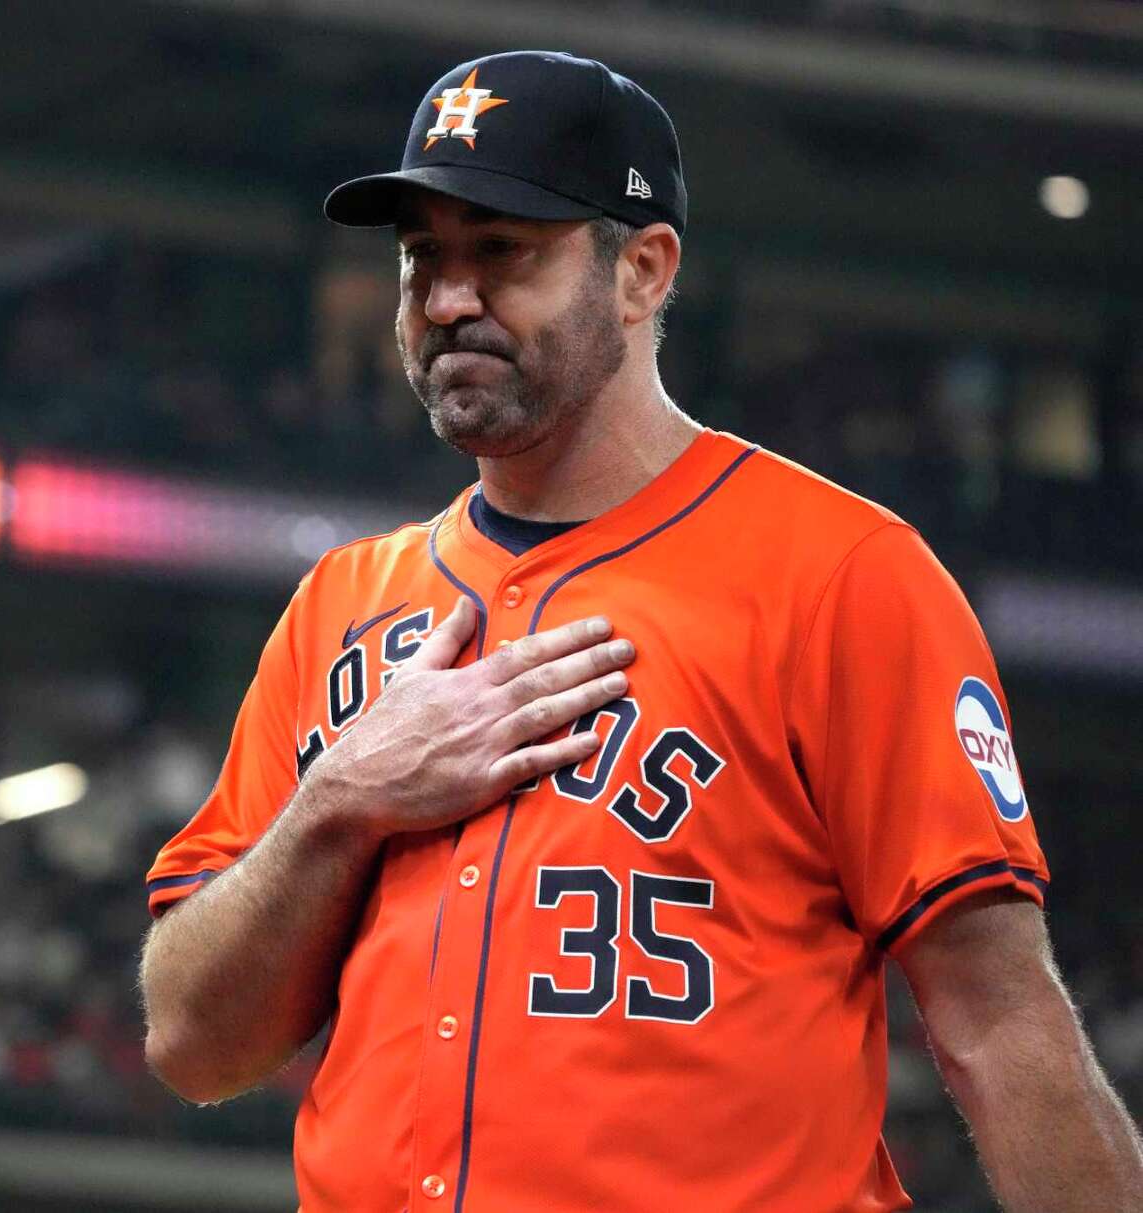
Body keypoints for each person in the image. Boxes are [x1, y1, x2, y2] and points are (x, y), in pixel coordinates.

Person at [138, 50, 1143, 1213]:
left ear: (640, 271)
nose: (448, 299)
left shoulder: (840, 576)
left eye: (500, 251)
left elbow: (998, 1022)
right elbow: (191, 1043)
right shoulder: (339, 605)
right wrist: (339, 799)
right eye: (423, 259)